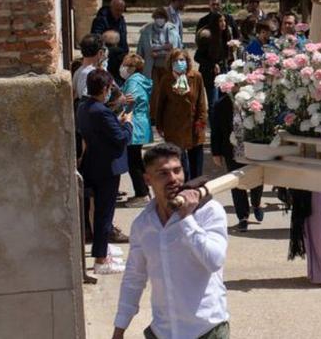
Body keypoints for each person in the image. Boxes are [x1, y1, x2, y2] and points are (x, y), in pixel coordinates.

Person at [112, 143, 229, 339]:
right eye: (163, 173)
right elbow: (134, 279)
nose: (173, 179)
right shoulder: (143, 224)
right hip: (163, 332)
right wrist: (119, 330)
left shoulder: (209, 211)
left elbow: (214, 260)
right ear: (147, 179)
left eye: (177, 171)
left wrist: (186, 219)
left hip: (207, 331)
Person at [78, 69, 133, 275]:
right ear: (104, 88)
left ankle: (102, 250)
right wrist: (127, 124)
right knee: (104, 213)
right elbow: (120, 139)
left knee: (100, 211)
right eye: (109, 88)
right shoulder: (101, 111)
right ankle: (101, 259)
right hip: (106, 168)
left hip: (93, 164)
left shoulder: (84, 107)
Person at [150, 49, 209, 179]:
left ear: (187, 61)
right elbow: (161, 104)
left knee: (196, 163)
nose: (179, 63)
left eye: (181, 60)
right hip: (174, 125)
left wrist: (201, 121)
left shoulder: (196, 77)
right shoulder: (167, 79)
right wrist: (159, 125)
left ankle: (196, 187)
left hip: (193, 124)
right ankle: (183, 187)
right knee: (180, 163)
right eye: (175, 60)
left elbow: (201, 102)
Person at [210, 95, 264, 232]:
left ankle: (256, 203)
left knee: (257, 179)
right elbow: (215, 130)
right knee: (236, 182)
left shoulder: (252, 98)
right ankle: (242, 217)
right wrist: (216, 152)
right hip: (232, 150)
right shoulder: (220, 105)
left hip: (252, 147)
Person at [120, 53, 153, 207]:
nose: (123, 68)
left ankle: (142, 194)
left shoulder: (133, 83)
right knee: (136, 160)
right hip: (140, 124)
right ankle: (144, 191)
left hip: (135, 125)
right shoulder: (139, 81)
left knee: (133, 162)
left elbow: (128, 102)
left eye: (126, 65)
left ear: (133, 68)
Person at [194, 13, 231, 106]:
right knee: (213, 102)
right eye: (220, 21)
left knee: (224, 101)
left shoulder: (225, 36)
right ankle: (212, 120)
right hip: (210, 74)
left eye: (224, 21)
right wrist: (212, 64)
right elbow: (197, 57)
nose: (223, 23)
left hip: (223, 72)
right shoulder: (208, 37)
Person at [136, 8, 180, 81]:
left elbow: (174, 50)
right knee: (153, 90)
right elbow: (140, 52)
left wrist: (157, 53)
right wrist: (164, 47)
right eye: (157, 17)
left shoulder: (172, 30)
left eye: (161, 17)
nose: (159, 19)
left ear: (166, 18)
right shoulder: (146, 30)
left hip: (168, 68)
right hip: (151, 69)